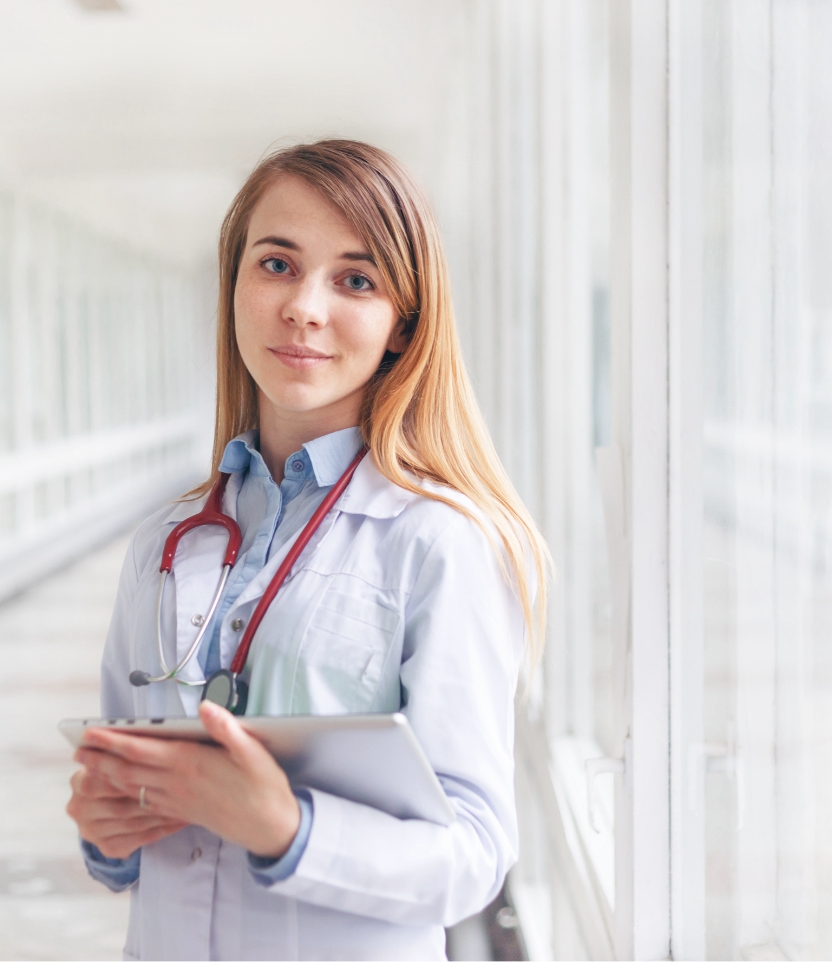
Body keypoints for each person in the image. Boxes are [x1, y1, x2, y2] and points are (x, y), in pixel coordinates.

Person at [66, 139, 548, 961]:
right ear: (234, 288)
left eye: (355, 280)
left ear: (404, 324)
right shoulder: (164, 542)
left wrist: (289, 830)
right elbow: (124, 782)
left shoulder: (439, 544)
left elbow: (473, 855)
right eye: (277, 264)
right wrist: (108, 834)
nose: (304, 307)